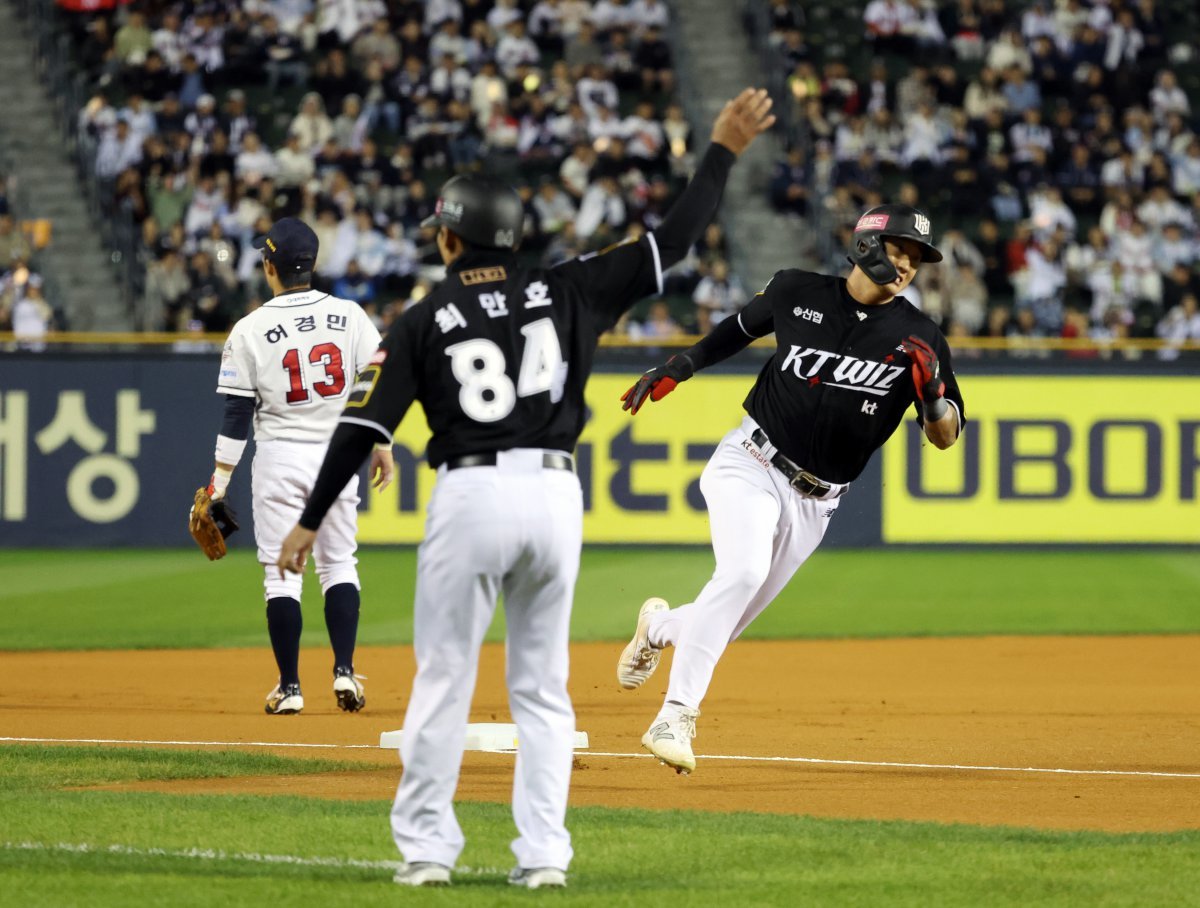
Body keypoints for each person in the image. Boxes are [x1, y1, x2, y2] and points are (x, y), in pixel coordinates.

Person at [275, 88, 775, 889]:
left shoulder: (425, 317)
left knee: (444, 680)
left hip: (470, 495)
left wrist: (308, 520)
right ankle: (544, 857)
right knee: (542, 689)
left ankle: (428, 855)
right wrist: (721, 148)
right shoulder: (571, 286)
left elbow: (363, 429)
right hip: (552, 497)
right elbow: (676, 238)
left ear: (449, 238)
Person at [616, 203, 966, 774]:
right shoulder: (797, 290)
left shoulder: (919, 335)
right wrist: (680, 365)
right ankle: (675, 715)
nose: (907, 266)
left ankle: (657, 627)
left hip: (817, 502)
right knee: (742, 572)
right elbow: (736, 330)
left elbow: (946, 436)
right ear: (865, 247)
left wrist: (931, 398)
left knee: (722, 621)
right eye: (899, 252)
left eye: (916, 260)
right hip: (751, 461)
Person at [204, 217, 394, 716]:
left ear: (269, 267)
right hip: (337, 455)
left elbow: (237, 414)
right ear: (312, 265)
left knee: (281, 576)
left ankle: (289, 688)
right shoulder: (350, 315)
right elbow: (377, 382)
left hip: (280, 459)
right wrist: (381, 442)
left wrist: (218, 484)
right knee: (339, 564)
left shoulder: (249, 329)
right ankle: (346, 673)